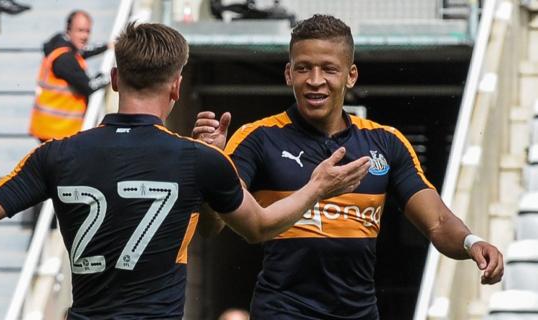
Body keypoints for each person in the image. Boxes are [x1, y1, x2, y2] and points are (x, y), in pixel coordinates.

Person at [0, 22, 371, 319]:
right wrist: (317, 188)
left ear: (117, 78)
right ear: (177, 85)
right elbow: (257, 228)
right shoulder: (199, 160)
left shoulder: (57, 155)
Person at [192, 14, 504, 319]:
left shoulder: (385, 142)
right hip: (282, 311)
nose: (315, 81)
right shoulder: (256, 139)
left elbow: (437, 221)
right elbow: (211, 226)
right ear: (288, 74)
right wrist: (211, 167)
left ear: (350, 75)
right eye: (303, 69)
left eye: (328, 69)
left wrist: (470, 242)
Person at [29, 10, 111, 142]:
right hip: (58, 131)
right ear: (69, 30)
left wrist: (108, 46)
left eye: (88, 31)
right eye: (80, 31)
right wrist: (111, 76)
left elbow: (83, 51)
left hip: (50, 127)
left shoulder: (59, 44)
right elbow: (88, 86)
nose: (85, 36)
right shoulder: (65, 59)